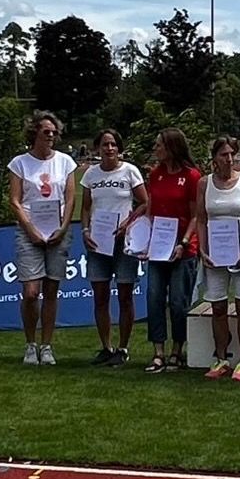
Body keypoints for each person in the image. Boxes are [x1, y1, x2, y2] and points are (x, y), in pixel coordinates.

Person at [8, 111, 79, 366]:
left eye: (53, 132)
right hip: (29, 232)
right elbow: (15, 200)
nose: (50, 135)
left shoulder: (65, 162)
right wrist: (30, 229)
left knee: (51, 290)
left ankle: (47, 346)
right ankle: (30, 344)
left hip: (57, 232)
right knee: (30, 292)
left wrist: (63, 227)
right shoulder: (20, 163)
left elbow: (70, 198)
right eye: (45, 131)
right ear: (34, 133)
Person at [195, 136, 240, 382]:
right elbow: (201, 219)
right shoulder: (204, 184)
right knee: (217, 307)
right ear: (215, 157)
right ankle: (221, 358)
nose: (229, 159)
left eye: (232, 154)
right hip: (215, 256)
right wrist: (202, 249)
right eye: (224, 154)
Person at [79, 128, 148, 367]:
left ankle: (123, 347)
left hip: (124, 242)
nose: (109, 149)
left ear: (119, 148)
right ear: (98, 148)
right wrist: (85, 231)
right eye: (105, 144)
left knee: (125, 296)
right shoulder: (90, 174)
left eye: (113, 144)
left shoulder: (130, 171)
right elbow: (85, 207)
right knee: (100, 296)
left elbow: (144, 202)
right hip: (99, 242)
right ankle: (106, 346)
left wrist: (128, 224)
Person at [141, 128, 202, 373]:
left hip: (183, 250)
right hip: (158, 249)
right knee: (154, 297)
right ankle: (158, 352)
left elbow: (196, 215)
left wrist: (184, 242)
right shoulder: (155, 175)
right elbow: (150, 210)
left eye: (159, 145)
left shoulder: (192, 176)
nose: (155, 149)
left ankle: (177, 349)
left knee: (178, 301)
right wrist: (144, 241)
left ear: (171, 147)